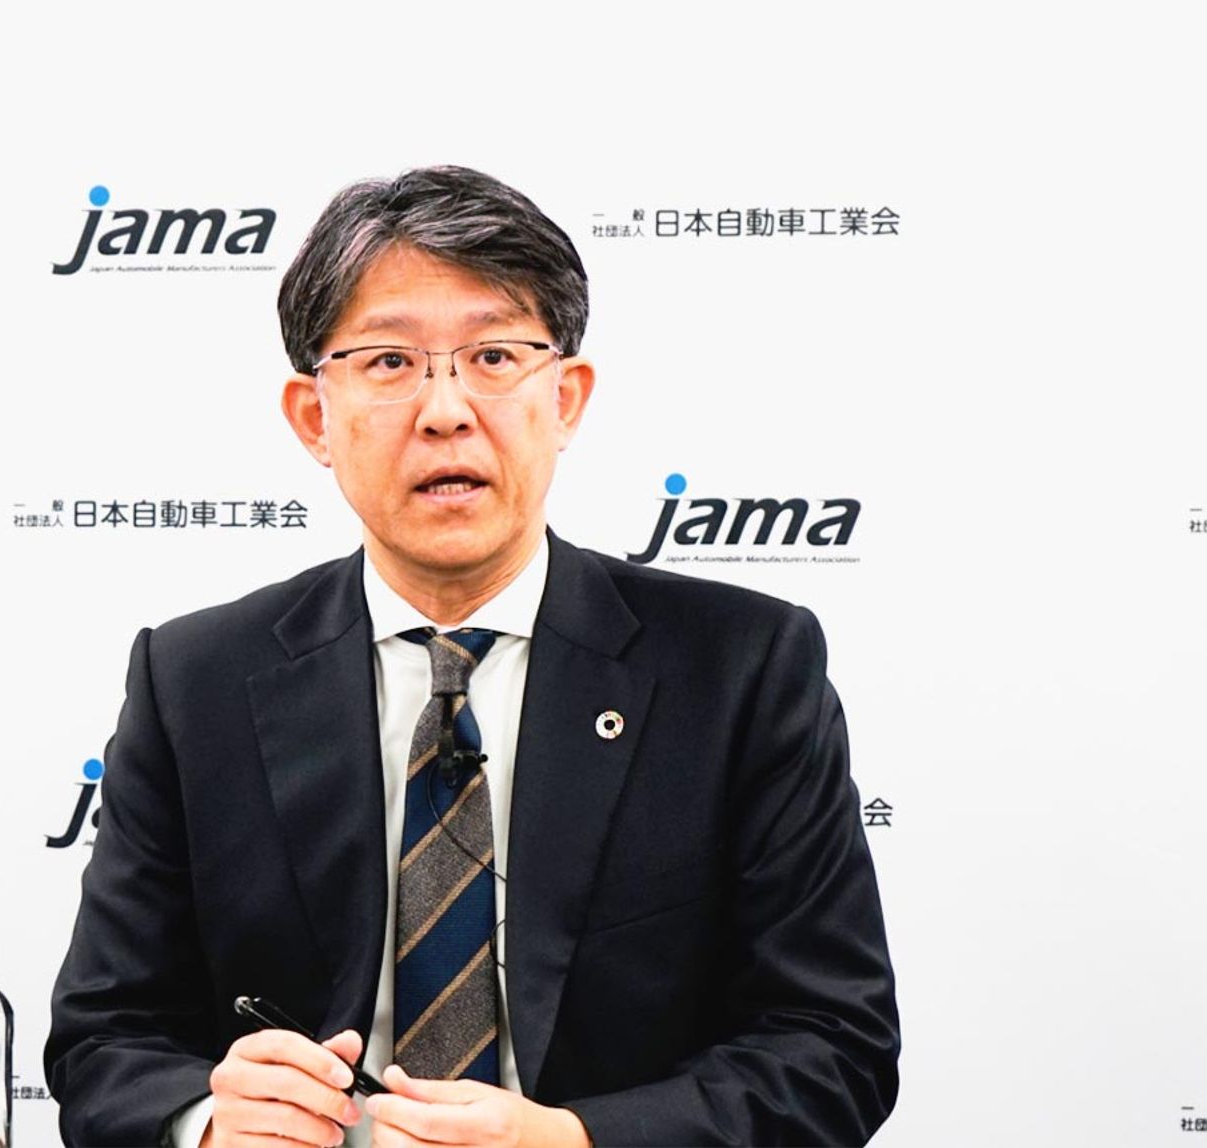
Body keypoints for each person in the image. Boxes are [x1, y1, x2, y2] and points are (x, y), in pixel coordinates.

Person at [44, 166, 899, 1148]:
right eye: (389, 361)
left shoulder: (740, 669)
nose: (446, 409)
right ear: (314, 416)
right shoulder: (195, 681)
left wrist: (570, 1140)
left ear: (566, 398)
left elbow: (833, 1043)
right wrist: (207, 1121)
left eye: (494, 355)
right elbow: (103, 1040)